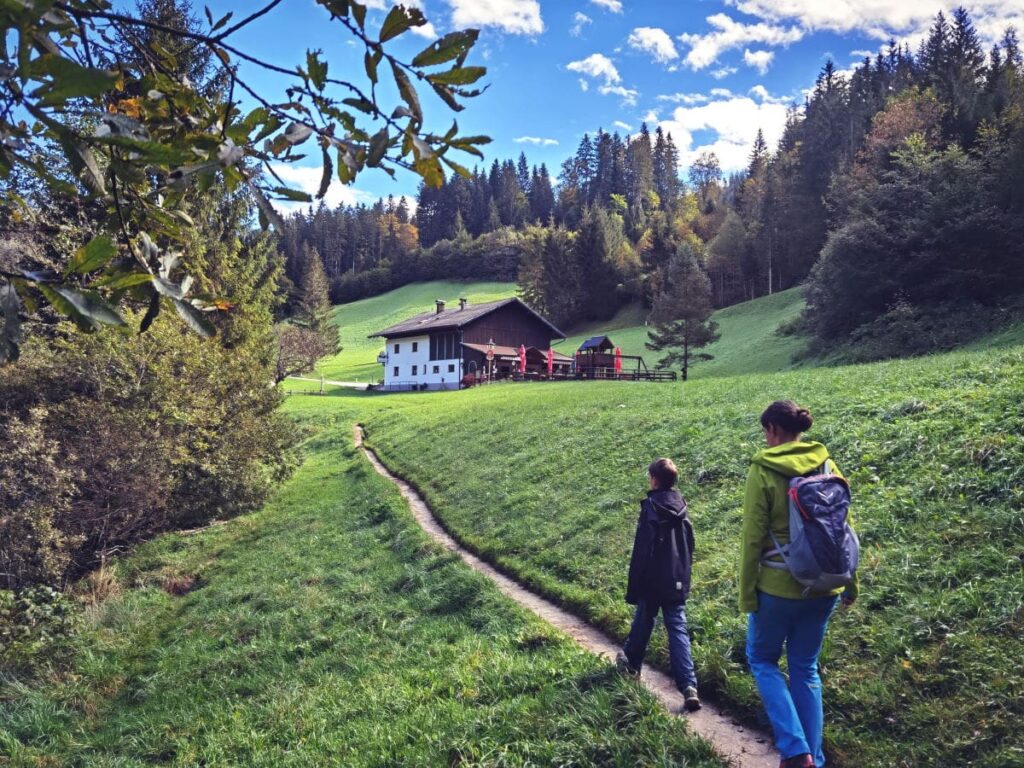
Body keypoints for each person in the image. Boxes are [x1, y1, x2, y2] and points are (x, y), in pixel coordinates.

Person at [740, 401, 859, 768]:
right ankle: (815, 760)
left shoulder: (763, 470)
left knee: (761, 660)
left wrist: (746, 593)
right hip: (826, 585)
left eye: (765, 431)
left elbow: (751, 538)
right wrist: (850, 584)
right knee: (805, 668)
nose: (765, 438)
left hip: (776, 588)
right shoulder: (828, 465)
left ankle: (795, 750)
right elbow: (842, 530)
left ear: (773, 429)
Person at [616, 457, 701, 712]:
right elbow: (690, 546)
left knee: (643, 621)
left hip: (652, 579)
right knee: (677, 629)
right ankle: (689, 686)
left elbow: (642, 550)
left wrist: (635, 586)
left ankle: (631, 666)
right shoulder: (682, 507)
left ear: (654, 479)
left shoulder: (651, 507)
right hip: (676, 578)